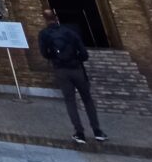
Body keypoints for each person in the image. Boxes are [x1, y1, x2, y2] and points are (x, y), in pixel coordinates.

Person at [38, 9, 107, 144]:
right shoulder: (70, 32)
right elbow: (84, 54)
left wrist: (56, 59)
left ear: (44, 19)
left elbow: (44, 53)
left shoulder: (44, 34)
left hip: (61, 71)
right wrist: (76, 60)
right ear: (56, 17)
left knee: (70, 101)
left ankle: (79, 133)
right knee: (87, 100)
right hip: (77, 69)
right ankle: (97, 131)